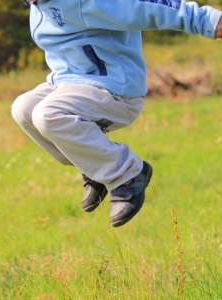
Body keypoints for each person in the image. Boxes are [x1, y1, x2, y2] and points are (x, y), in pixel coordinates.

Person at [12, 0, 222, 227]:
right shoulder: (38, 5)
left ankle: (129, 175)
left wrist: (207, 20)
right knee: (23, 109)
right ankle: (93, 166)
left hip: (117, 91)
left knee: (47, 114)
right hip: (72, 82)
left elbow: (145, 5)